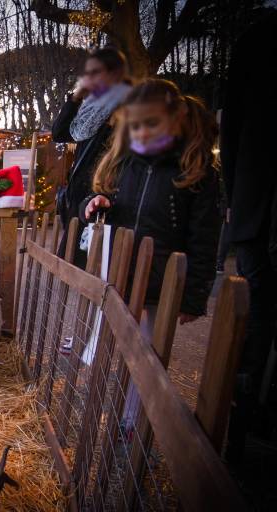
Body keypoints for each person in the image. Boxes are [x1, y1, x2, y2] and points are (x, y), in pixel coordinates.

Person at [80, 79, 221, 431]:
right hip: (121, 273)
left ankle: (132, 421)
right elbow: (102, 199)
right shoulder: (123, 164)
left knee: (147, 356)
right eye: (136, 123)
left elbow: (204, 239)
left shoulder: (195, 173)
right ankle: (96, 404)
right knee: (111, 345)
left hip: (162, 284)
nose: (142, 131)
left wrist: (193, 297)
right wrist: (95, 204)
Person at [219, 10, 277, 467]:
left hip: (256, 197)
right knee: (256, 309)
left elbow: (233, 123)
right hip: (258, 200)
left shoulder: (257, 39)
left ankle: (256, 411)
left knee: (259, 307)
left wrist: (234, 191)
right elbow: (234, 122)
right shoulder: (257, 39)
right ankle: (250, 415)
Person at [52, 47, 131, 268]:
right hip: (78, 198)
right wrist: (76, 98)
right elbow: (59, 133)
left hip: (100, 196)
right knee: (71, 265)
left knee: (87, 266)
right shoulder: (90, 108)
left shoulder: (123, 106)